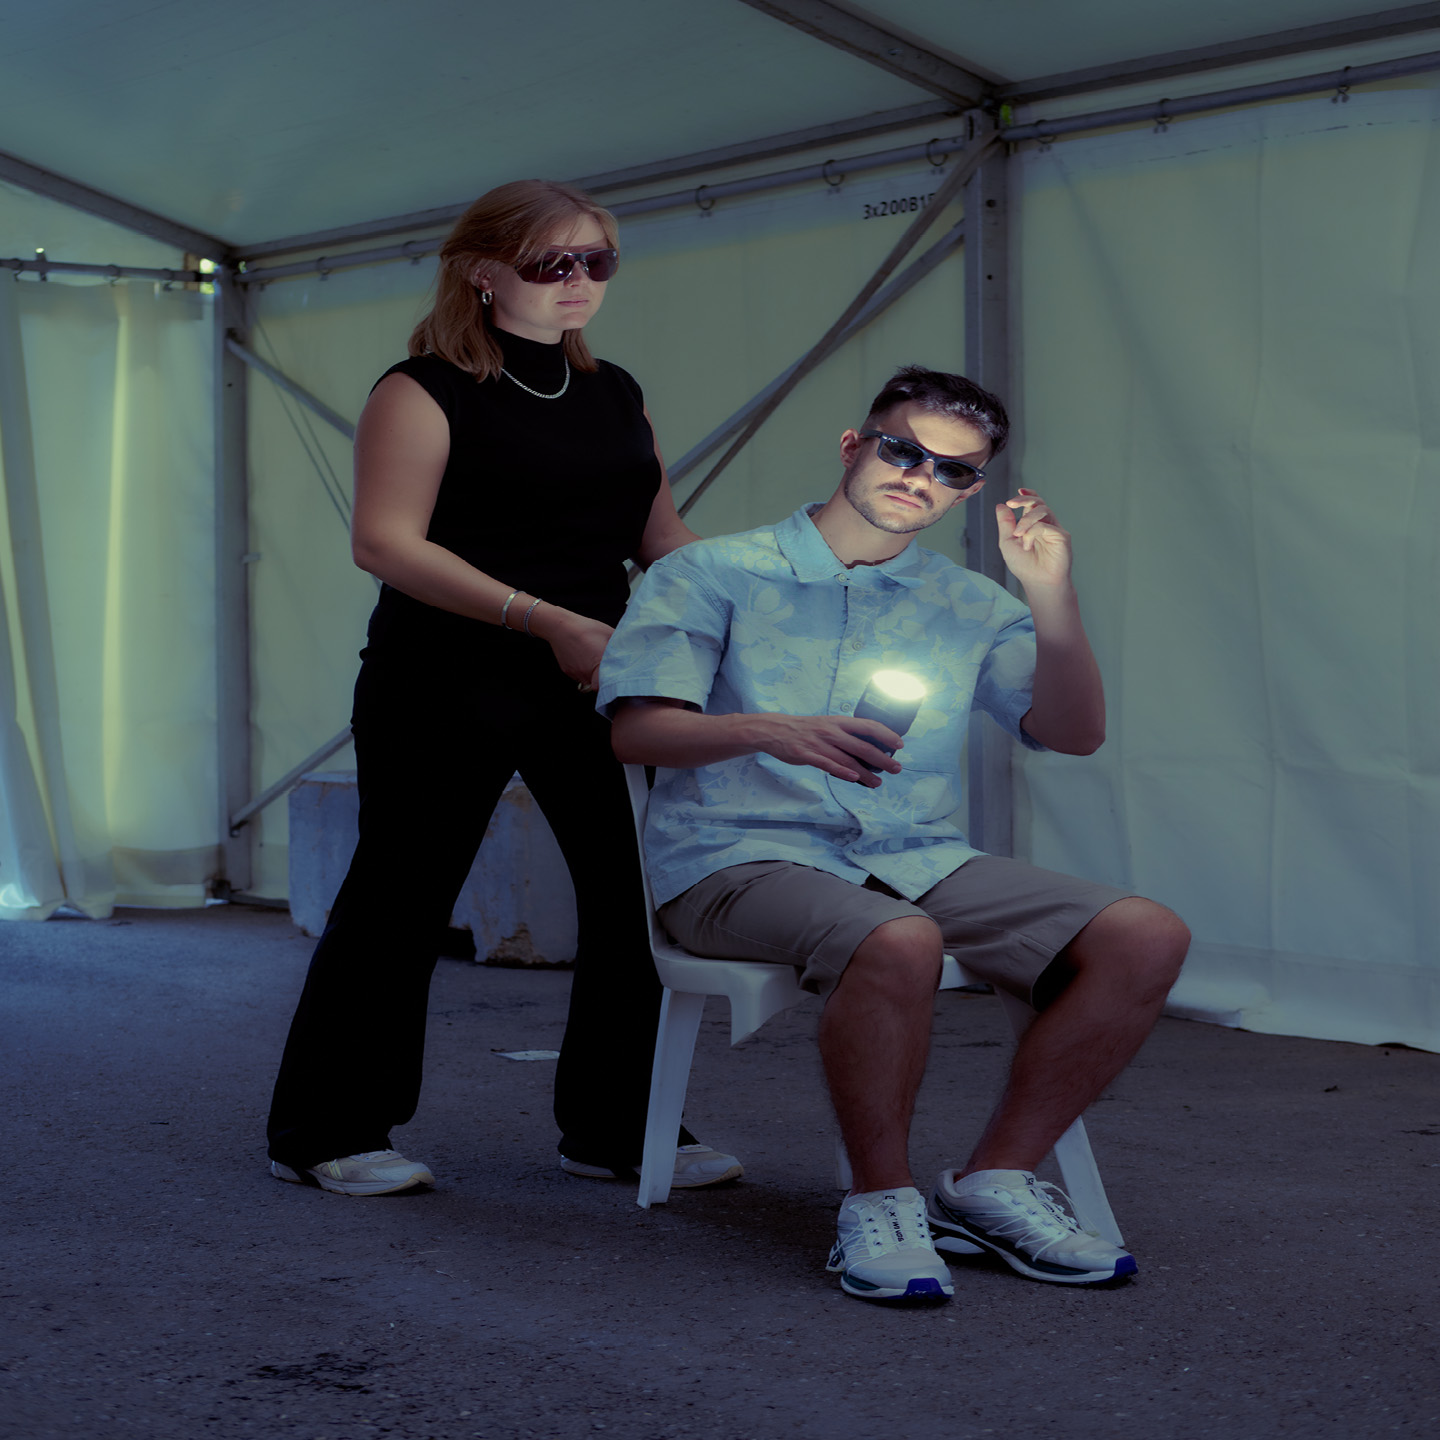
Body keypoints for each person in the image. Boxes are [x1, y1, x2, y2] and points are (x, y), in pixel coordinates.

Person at [598, 365, 1191, 1303]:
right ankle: (878, 1202)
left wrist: (1050, 594)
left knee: (1145, 933)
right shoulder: (711, 572)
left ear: (972, 489)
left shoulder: (972, 603)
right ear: (853, 446)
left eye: (952, 470)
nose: (920, 478)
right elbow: (637, 734)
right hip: (734, 856)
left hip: (907, 856)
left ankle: (993, 1182)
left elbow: (1073, 734)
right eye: (903, 451)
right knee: (897, 938)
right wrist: (774, 731)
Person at [266, 179, 739, 1196]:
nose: (579, 281)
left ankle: (617, 1126)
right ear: (482, 272)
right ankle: (327, 1130)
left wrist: (774, 592)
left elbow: (662, 539)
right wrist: (546, 619)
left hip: (596, 673)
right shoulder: (421, 389)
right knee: (401, 893)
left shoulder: (615, 391)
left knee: (636, 892)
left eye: (597, 261)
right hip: (444, 672)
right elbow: (384, 543)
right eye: (550, 262)